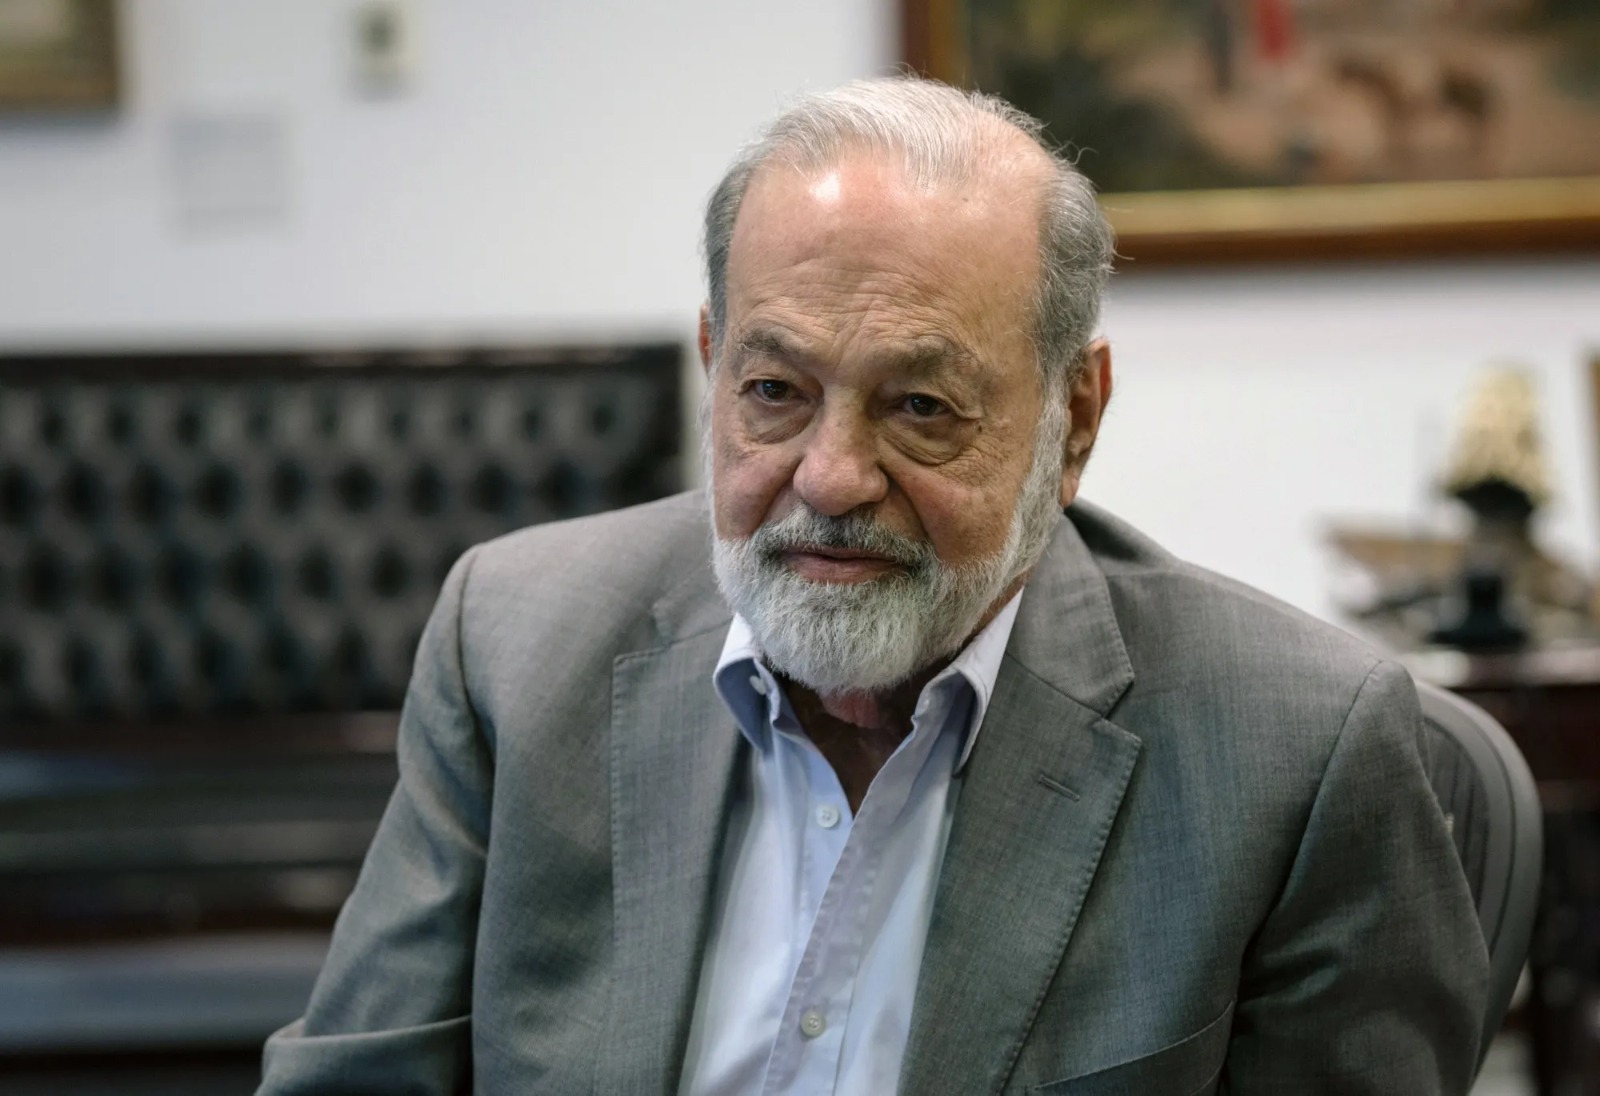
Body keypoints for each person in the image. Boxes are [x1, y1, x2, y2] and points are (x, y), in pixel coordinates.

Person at [260, 77, 1488, 1095]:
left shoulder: (1293, 756)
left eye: (921, 407)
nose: (832, 477)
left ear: (1072, 420)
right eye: (774, 392)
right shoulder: (516, 643)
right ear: (712, 365)